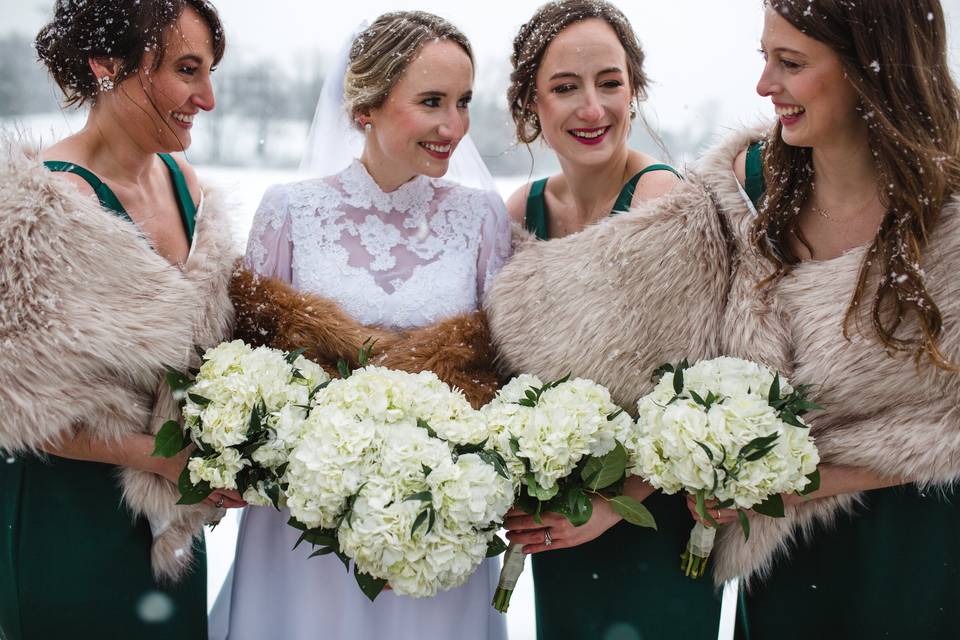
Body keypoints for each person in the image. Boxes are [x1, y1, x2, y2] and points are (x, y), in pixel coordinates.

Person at [488, 0, 960, 637]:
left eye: (789, 63)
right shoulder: (749, 193)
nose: (765, 85)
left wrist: (808, 477)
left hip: (918, 538)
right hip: (776, 556)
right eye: (764, 59)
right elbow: (699, 369)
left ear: (865, 69)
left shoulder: (948, 205)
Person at [215, 12, 511, 640]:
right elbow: (247, 364)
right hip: (302, 521)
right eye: (431, 102)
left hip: (436, 522)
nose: (453, 126)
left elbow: (501, 369)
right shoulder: (290, 211)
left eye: (463, 103)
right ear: (364, 109)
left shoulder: (482, 218)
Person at [0, 1, 243, 639]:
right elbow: (16, 409)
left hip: (169, 533)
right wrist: (161, 459)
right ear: (107, 66)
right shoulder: (42, 204)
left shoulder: (184, 182)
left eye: (210, 71)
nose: (207, 97)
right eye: (187, 70)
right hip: (68, 525)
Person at [498, 2, 721, 639]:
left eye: (611, 83)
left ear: (635, 89)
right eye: (565, 88)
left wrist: (610, 505)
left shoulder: (665, 201)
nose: (593, 109)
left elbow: (703, 386)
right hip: (554, 523)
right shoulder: (524, 210)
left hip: (653, 519)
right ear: (530, 105)